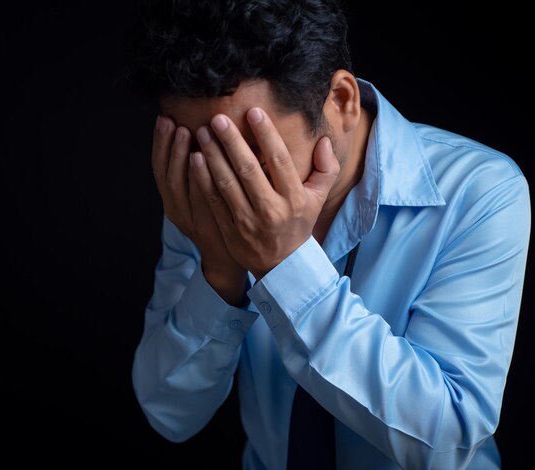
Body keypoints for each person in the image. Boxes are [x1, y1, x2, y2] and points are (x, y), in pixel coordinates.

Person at [126, 1, 531, 468]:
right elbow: (169, 414)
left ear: (341, 101)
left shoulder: (481, 191)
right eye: (200, 149)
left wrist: (286, 264)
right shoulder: (202, 193)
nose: (225, 181)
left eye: (248, 152)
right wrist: (220, 274)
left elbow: (449, 443)